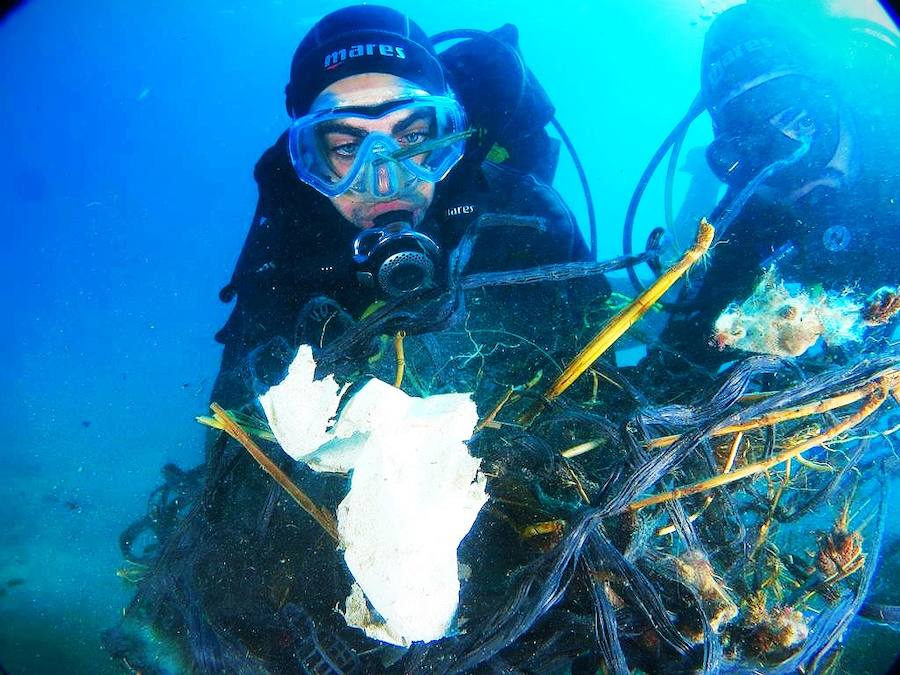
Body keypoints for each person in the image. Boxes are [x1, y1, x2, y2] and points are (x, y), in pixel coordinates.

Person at [210, 4, 598, 417]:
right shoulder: (286, 253)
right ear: (310, 159)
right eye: (346, 148)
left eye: (413, 137)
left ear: (448, 135)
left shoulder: (528, 215)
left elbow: (595, 366)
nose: (385, 183)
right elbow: (235, 416)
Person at [645, 1, 900, 388]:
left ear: (843, 97)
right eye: (752, 151)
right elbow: (677, 363)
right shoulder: (750, 217)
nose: (791, 173)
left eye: (802, 124)